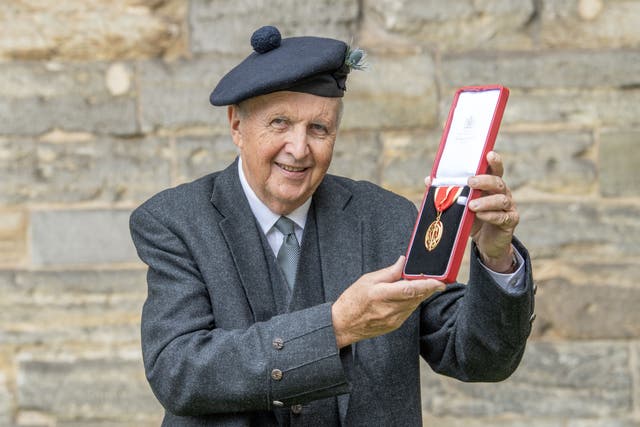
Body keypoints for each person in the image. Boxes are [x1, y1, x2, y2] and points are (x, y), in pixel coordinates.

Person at [129, 25, 535, 427]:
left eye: (318, 128)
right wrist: (337, 326)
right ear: (236, 125)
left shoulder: (387, 217)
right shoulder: (174, 221)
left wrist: (496, 256)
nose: (299, 148)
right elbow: (178, 372)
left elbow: (480, 357)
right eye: (280, 123)